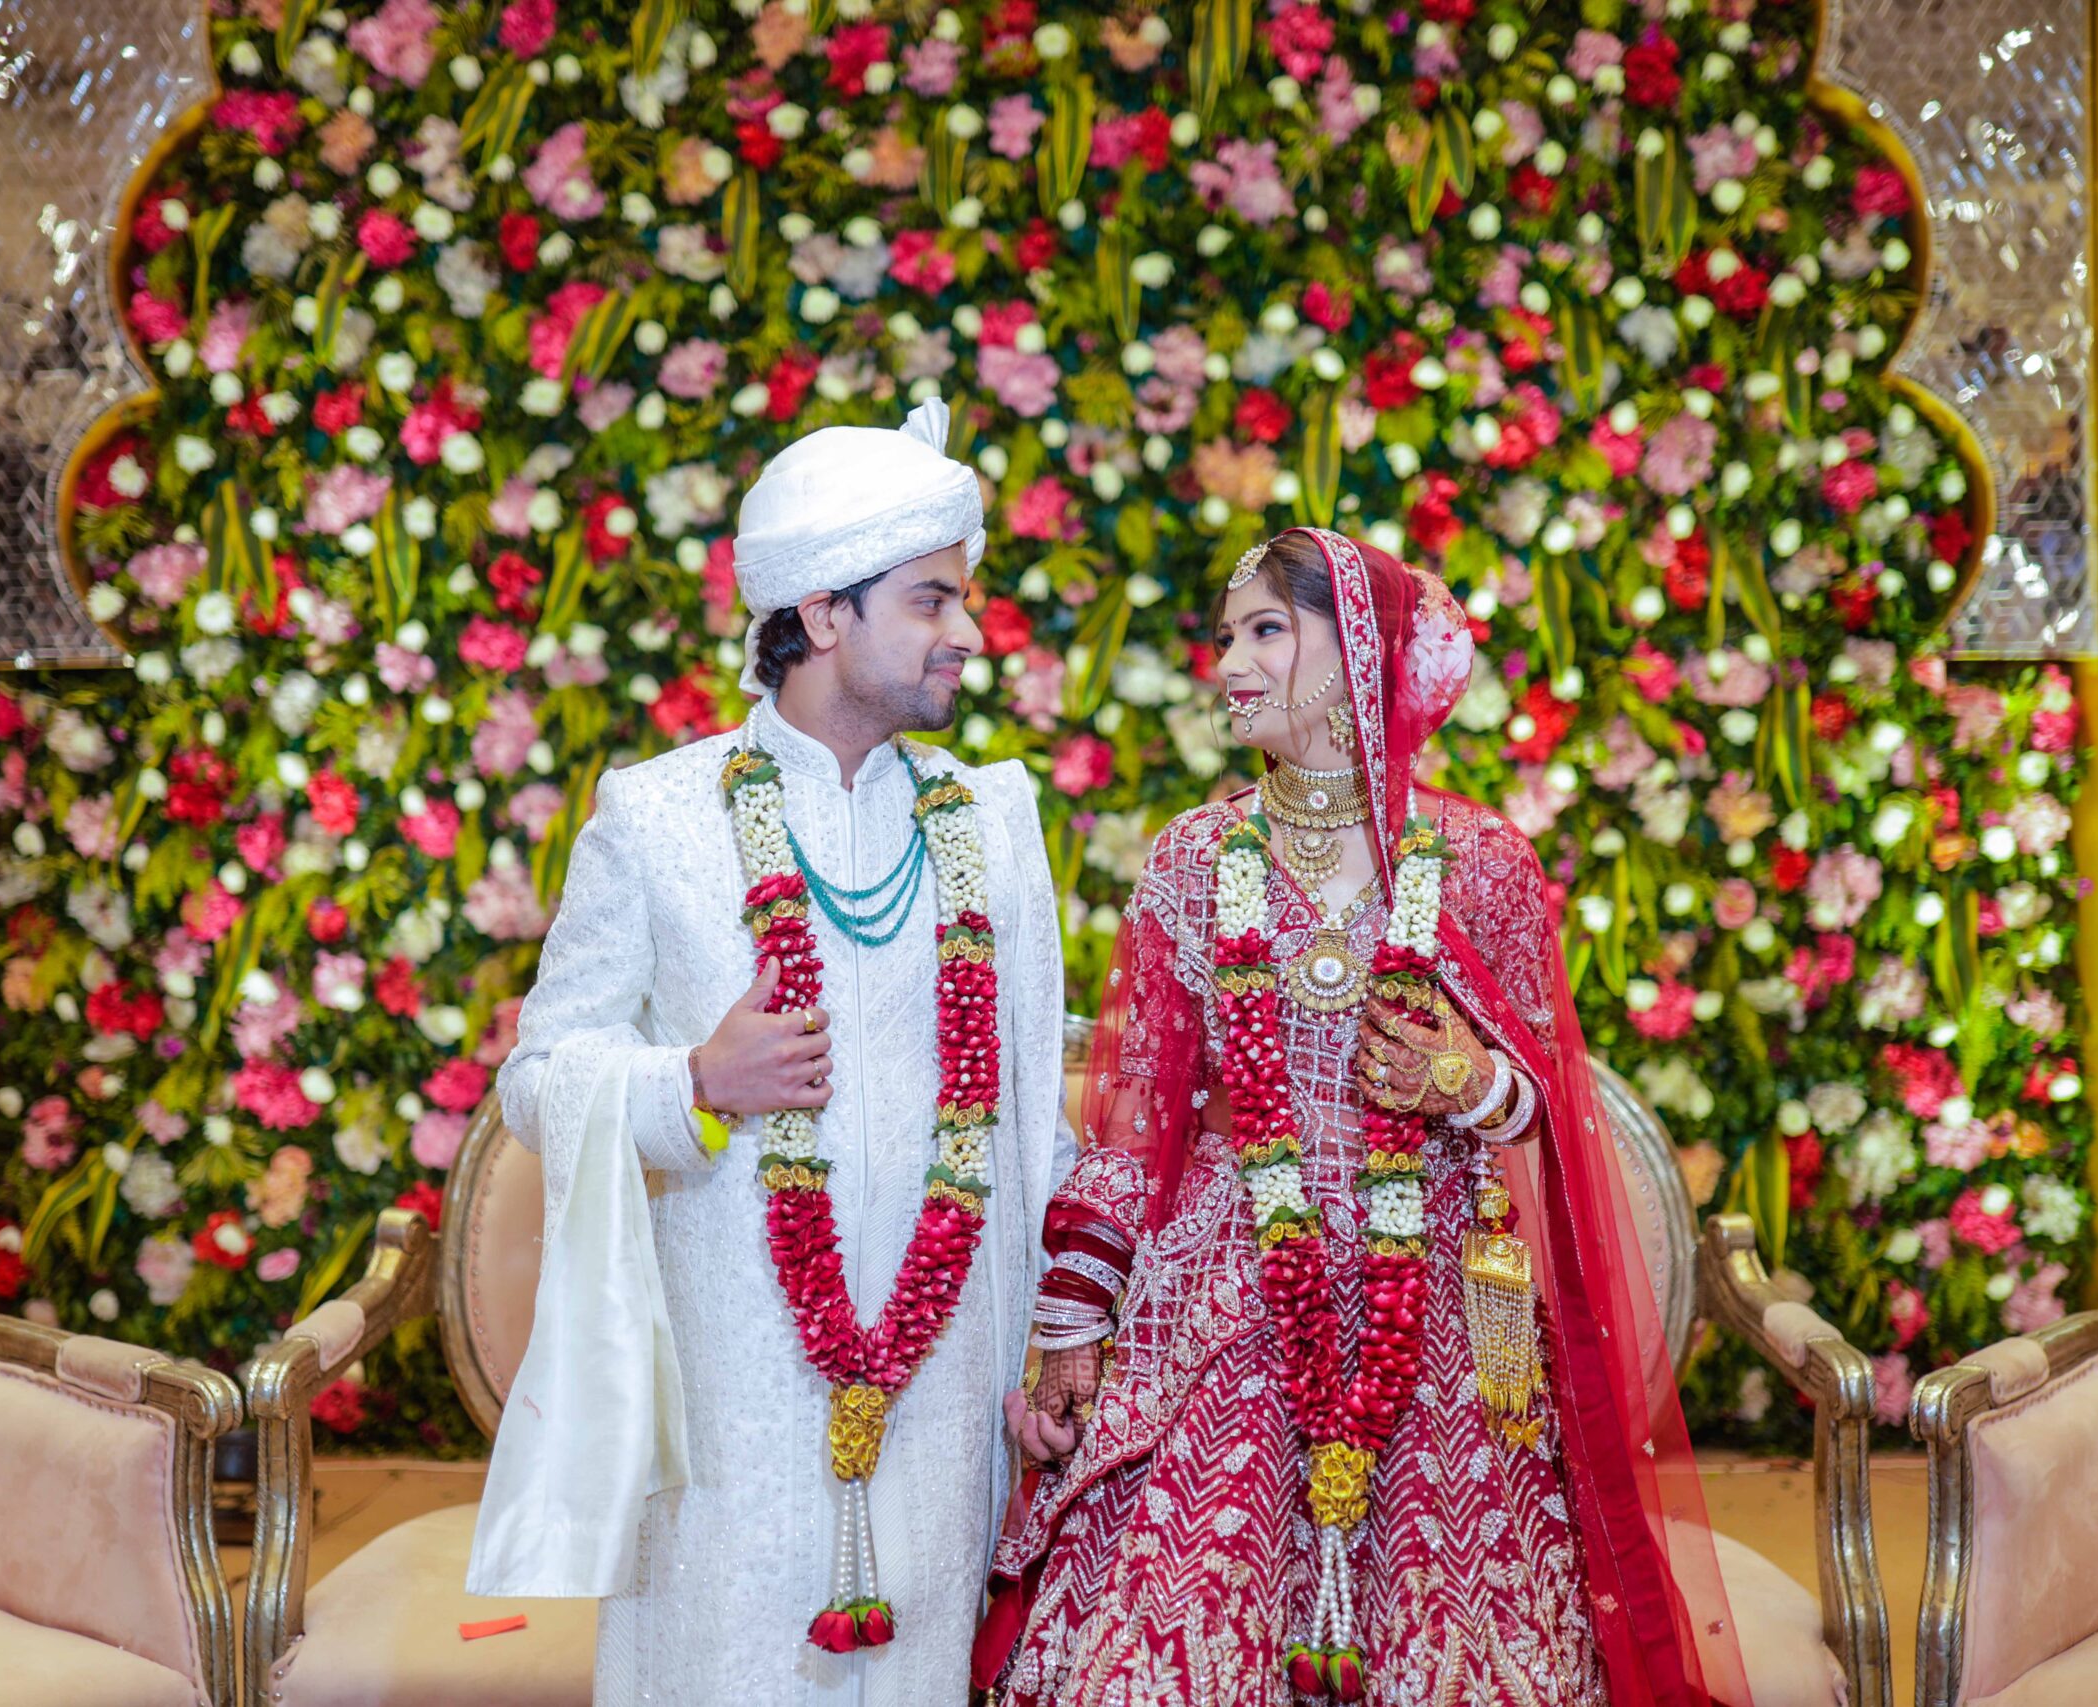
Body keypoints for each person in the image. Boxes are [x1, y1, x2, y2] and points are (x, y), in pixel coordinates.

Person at [974, 526, 1751, 1707]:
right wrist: (1074, 1327)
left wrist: (1465, 1082)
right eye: (1226, 636)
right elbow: (1138, 1124)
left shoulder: (1478, 859)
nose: (1229, 664)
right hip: (1228, 1286)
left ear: (1359, 652)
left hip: (1433, 1297)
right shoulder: (1193, 859)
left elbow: (1542, 1107)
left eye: (1265, 631)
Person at [469, 398, 1073, 1707]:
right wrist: (692, 1081)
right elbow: (538, 1076)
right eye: (931, 599)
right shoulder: (658, 816)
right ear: (821, 613)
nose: (969, 633)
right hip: (730, 1394)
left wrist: (1052, 1348)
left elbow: (1037, 1122)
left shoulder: (989, 819)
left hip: (942, 1388)